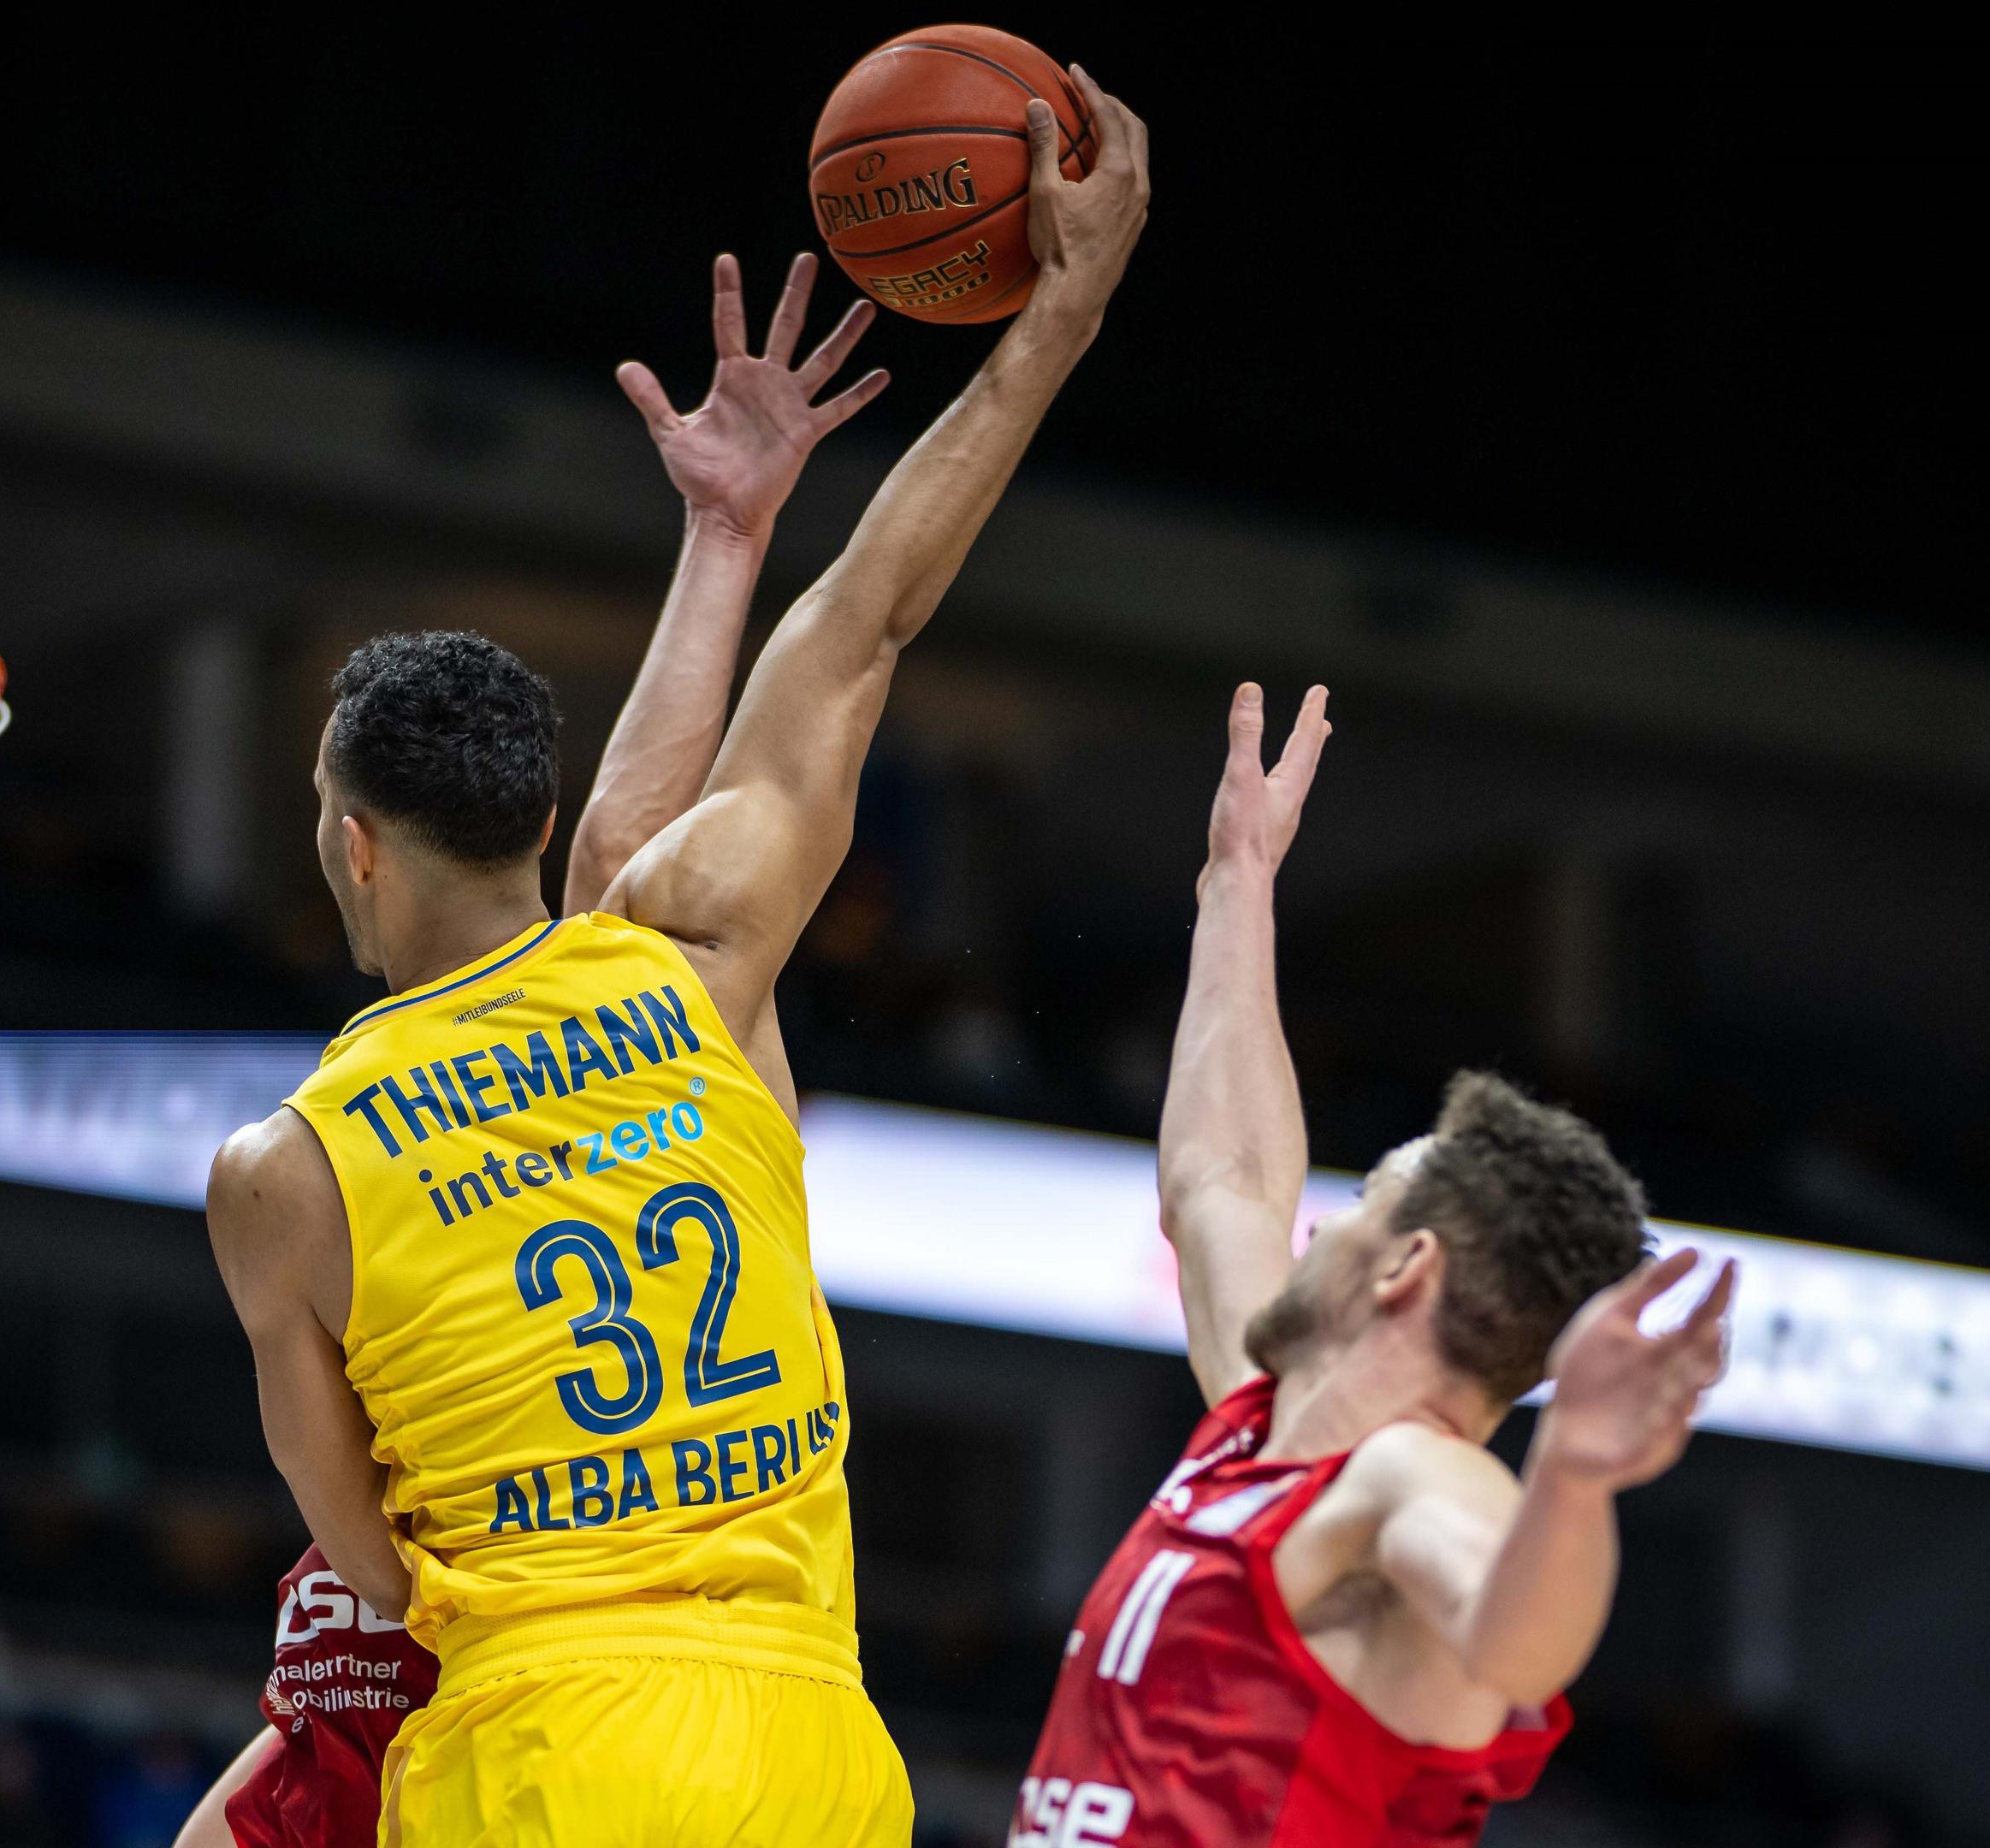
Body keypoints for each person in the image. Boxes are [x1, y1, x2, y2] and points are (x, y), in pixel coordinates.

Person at [204, 70, 1151, 1845]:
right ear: (532, 823)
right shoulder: (690, 979)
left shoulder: (283, 1177)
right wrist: (1057, 320)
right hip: (813, 1746)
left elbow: (377, 1579)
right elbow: (863, 626)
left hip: (553, 1753)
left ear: (349, 841)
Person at [1008, 684, 1737, 1848]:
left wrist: (1576, 1481)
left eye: (1356, 1204)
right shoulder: (1266, 1440)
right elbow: (1224, 1181)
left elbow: (1515, 1641)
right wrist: (1237, 882)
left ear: (1406, 1266)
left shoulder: (1412, 1483)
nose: (1317, 1226)